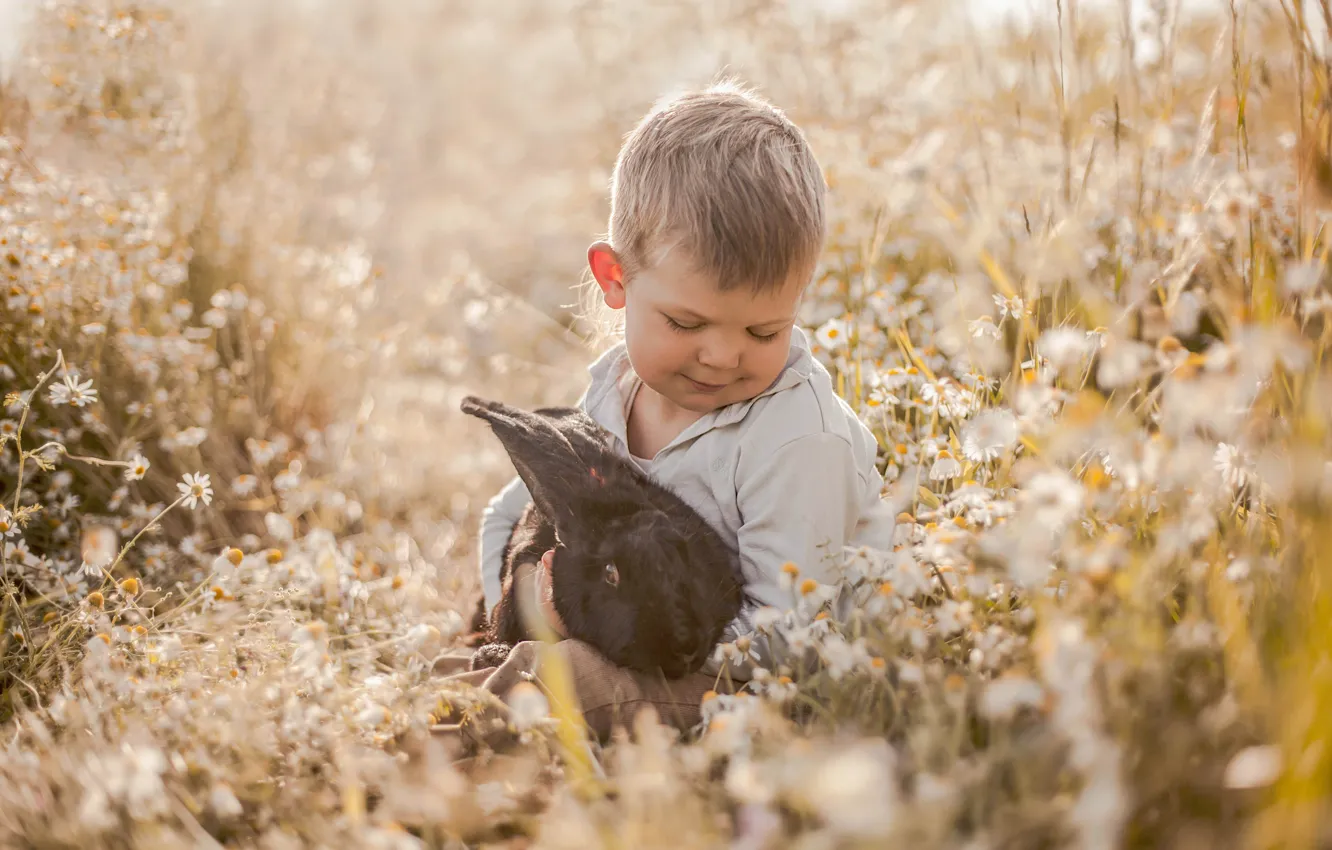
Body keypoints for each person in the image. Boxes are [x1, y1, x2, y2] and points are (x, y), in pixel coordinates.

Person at [438, 78, 896, 745]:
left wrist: (598, 641)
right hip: (631, 645)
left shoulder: (796, 440)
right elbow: (505, 516)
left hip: (749, 683)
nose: (722, 356)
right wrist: (516, 610)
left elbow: (786, 640)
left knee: (554, 684)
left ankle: (449, 752)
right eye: (686, 322)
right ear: (615, 278)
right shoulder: (612, 395)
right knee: (484, 672)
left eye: (764, 331)